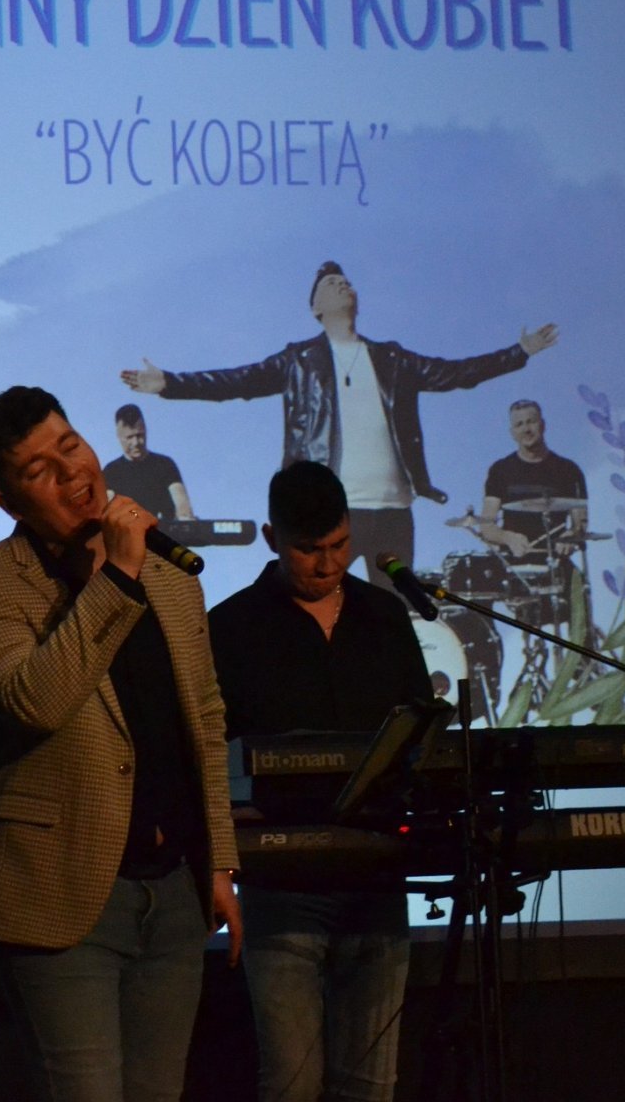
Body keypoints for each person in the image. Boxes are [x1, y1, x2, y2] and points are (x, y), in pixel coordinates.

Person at [0, 386, 241, 1101]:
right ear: (9, 504)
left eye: (70, 446)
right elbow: (36, 700)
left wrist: (220, 861)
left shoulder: (171, 579)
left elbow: (204, 718)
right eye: (38, 469)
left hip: (175, 890)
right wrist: (118, 575)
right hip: (63, 894)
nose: (71, 471)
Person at [208, 461, 433, 1102]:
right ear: (271, 538)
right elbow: (209, 751)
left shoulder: (385, 616)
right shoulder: (231, 627)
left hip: (376, 876)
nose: (329, 564)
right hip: (280, 883)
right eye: (309, 550)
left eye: (339, 544)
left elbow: (420, 735)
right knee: (291, 1082)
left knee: (371, 1084)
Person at [121, 260, 557, 585]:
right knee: (317, 616)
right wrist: (169, 383)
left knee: (392, 618)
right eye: (331, 283)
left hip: (393, 509)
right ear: (316, 308)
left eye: (346, 281)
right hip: (328, 511)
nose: (343, 284)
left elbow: (456, 373)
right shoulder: (299, 361)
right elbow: (238, 381)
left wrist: (518, 353)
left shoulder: (392, 358)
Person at [478, 399, 588, 566]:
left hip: (556, 563)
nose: (526, 429)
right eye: (519, 424)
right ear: (512, 432)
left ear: (542, 425)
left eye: (531, 422)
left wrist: (571, 536)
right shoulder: (499, 470)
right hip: (512, 565)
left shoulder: (569, 470)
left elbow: (580, 524)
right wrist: (507, 537)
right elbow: (486, 527)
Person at [102, 404, 194, 522]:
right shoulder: (111, 472)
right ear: (119, 437)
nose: (136, 442)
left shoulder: (165, 465)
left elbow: (182, 503)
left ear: (146, 431)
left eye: (140, 435)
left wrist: (185, 518)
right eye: (129, 437)